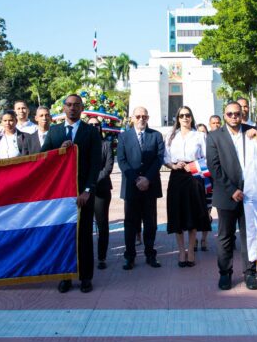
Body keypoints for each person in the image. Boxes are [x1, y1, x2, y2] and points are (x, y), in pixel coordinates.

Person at [41, 94, 102, 293]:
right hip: (61, 194)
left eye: (76, 105)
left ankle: (85, 277)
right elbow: (43, 158)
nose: (72, 108)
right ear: (63, 108)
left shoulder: (91, 132)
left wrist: (87, 190)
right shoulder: (54, 131)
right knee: (64, 235)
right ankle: (65, 276)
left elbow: (95, 164)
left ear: (82, 108)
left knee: (84, 235)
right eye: (68, 105)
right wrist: (59, 151)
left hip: (83, 193)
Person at [206, 101, 257, 291]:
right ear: (224, 115)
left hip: (251, 193)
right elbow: (214, 167)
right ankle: (225, 273)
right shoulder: (214, 136)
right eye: (230, 114)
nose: (234, 117)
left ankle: (250, 273)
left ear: (242, 114)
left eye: (237, 113)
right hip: (226, 194)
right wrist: (232, 190)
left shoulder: (252, 132)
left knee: (249, 235)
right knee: (225, 236)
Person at [116, 106, 165, 270]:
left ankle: (150, 254)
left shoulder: (156, 135)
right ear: (132, 118)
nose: (141, 119)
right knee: (130, 223)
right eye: (138, 116)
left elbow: (159, 159)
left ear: (148, 118)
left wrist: (147, 179)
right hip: (131, 186)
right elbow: (122, 160)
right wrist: (136, 179)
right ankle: (129, 257)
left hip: (150, 186)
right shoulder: (123, 136)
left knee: (150, 223)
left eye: (144, 116)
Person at [164, 106, 211, 268]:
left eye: (188, 115)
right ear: (177, 118)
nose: (185, 118)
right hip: (177, 176)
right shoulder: (171, 136)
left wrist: (193, 166)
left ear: (191, 117)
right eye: (182, 115)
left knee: (193, 213)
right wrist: (173, 165)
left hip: (194, 176)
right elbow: (165, 157)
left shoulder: (199, 135)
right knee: (177, 214)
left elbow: (207, 157)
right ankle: (181, 251)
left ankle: (190, 250)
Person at [86, 117, 114, 270]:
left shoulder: (106, 144)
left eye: (96, 124)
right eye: (90, 124)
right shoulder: (82, 144)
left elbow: (108, 167)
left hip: (101, 189)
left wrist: (93, 181)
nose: (94, 126)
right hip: (84, 191)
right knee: (85, 226)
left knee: (102, 225)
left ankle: (102, 257)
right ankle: (86, 256)